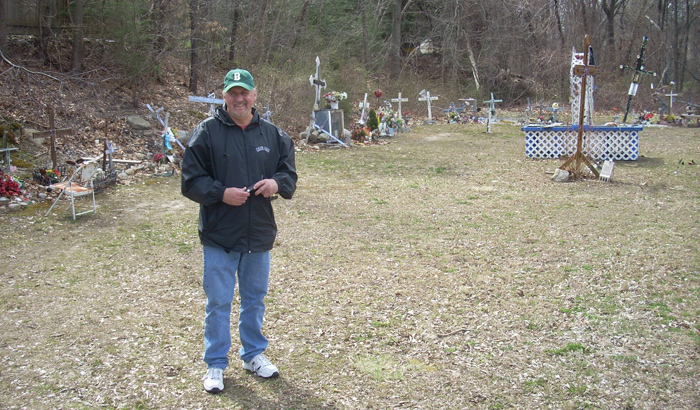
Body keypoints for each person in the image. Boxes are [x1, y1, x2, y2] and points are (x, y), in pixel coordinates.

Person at [181, 68, 297, 394]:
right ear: (224, 97)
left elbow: (288, 174)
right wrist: (221, 193)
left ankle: (253, 355)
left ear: (254, 95)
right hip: (220, 235)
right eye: (233, 92)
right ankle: (216, 364)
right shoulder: (206, 133)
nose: (239, 98)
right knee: (218, 302)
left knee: (254, 299)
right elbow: (190, 181)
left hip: (258, 233)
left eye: (244, 92)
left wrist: (276, 183)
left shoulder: (273, 135)